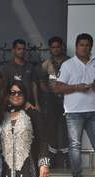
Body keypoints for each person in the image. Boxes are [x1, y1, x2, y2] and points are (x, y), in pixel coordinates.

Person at [55, 33, 95, 177]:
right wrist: (77, 87)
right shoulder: (68, 65)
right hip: (73, 112)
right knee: (75, 146)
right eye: (81, 45)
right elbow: (58, 87)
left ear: (91, 46)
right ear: (77, 46)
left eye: (87, 45)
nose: (84, 48)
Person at [37, 36, 70, 168]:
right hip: (51, 101)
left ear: (62, 47)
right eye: (53, 47)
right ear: (50, 49)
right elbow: (41, 82)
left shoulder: (70, 62)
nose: (56, 49)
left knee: (66, 128)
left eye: (58, 46)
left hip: (68, 99)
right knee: (51, 128)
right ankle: (52, 158)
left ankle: (66, 159)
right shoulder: (46, 64)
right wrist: (50, 94)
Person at [2, 39, 39, 109]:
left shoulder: (30, 66)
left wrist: (37, 104)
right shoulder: (7, 68)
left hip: (29, 105)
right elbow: (4, 88)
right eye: (19, 49)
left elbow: (34, 85)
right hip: (13, 104)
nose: (22, 51)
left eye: (23, 49)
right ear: (13, 50)